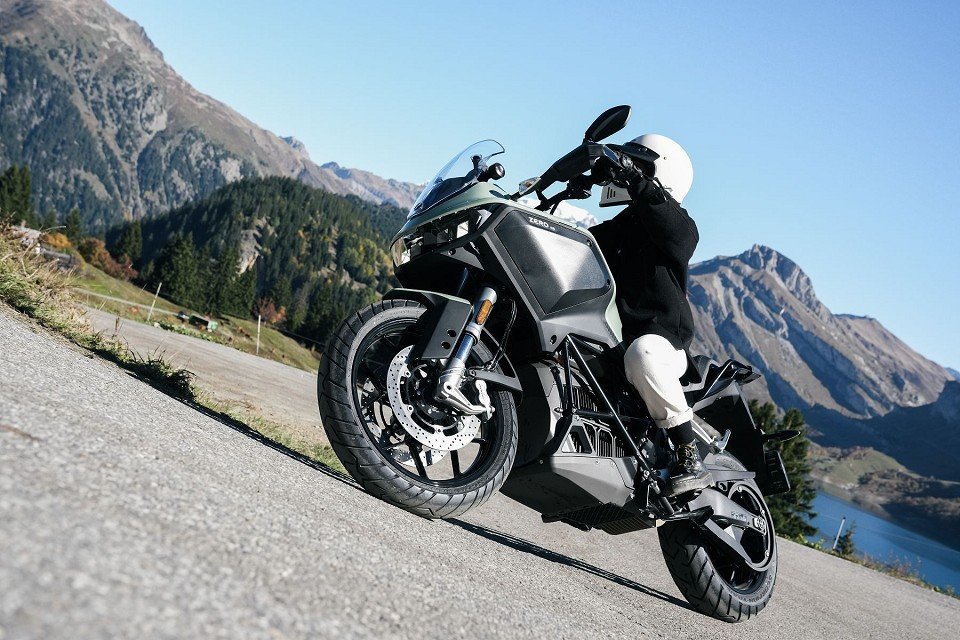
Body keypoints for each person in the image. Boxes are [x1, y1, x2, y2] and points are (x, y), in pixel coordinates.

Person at [588, 134, 711, 496]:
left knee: (644, 354)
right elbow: (580, 246)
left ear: (661, 172)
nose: (625, 172)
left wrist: (637, 180)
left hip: (662, 343)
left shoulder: (677, 225)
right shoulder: (621, 227)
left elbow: (678, 236)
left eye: (639, 165)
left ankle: (689, 455)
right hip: (614, 335)